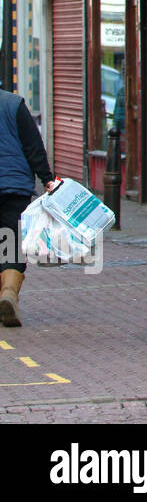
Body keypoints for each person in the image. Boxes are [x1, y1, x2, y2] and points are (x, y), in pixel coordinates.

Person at [0, 90, 58, 327]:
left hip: (13, 184)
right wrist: (47, 178)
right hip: (14, 187)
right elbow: (33, 145)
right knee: (10, 244)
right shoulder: (13, 104)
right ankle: (8, 294)